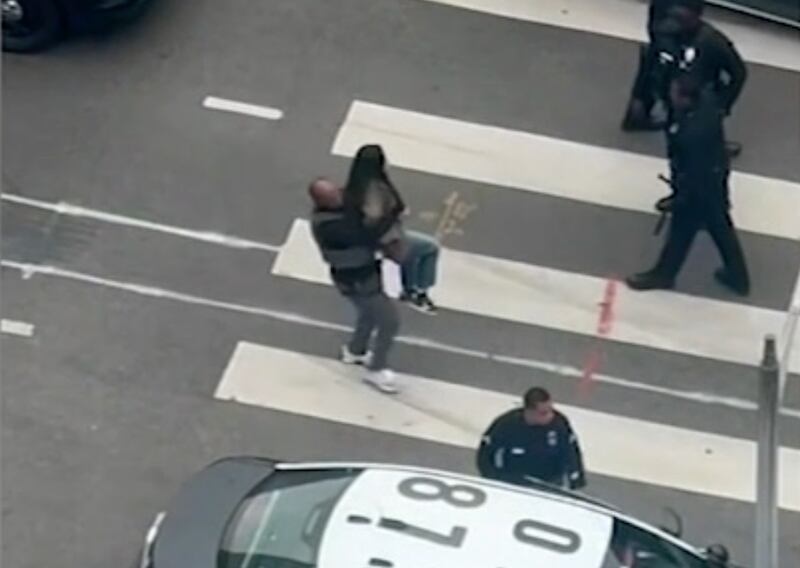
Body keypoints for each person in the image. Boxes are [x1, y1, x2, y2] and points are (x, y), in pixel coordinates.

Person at [626, 74, 750, 295]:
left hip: (700, 186)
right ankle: (737, 276)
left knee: (683, 229)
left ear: (685, 99)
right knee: (719, 227)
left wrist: (681, 196)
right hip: (714, 176)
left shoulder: (692, 133)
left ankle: (664, 275)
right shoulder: (706, 105)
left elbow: (693, 170)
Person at [622, 0, 747, 158]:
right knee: (684, 71)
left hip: (665, 15)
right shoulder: (707, 38)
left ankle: (639, 112)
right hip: (673, 17)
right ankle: (705, 140)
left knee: (662, 58)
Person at [309, 178, 400, 394]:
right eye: (333, 197)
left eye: (338, 192)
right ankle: (376, 369)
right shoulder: (330, 227)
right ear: (321, 201)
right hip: (356, 279)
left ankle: (355, 350)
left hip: (362, 274)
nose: (340, 197)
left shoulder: (339, 207)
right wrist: (387, 217)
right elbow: (366, 235)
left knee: (368, 314)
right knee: (389, 321)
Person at [344, 144, 440, 314]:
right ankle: (419, 289)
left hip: (382, 237)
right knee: (430, 247)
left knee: (411, 254)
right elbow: (374, 217)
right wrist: (396, 215)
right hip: (386, 239)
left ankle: (411, 290)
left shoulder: (358, 183)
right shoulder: (374, 188)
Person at [476, 387, 586, 490]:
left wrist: (576, 478)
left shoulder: (559, 424)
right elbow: (486, 453)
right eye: (544, 413)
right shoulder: (506, 425)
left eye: (551, 410)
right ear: (529, 411)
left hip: (549, 483)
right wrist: (492, 479)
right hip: (514, 483)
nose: (551, 416)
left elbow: (571, 450)